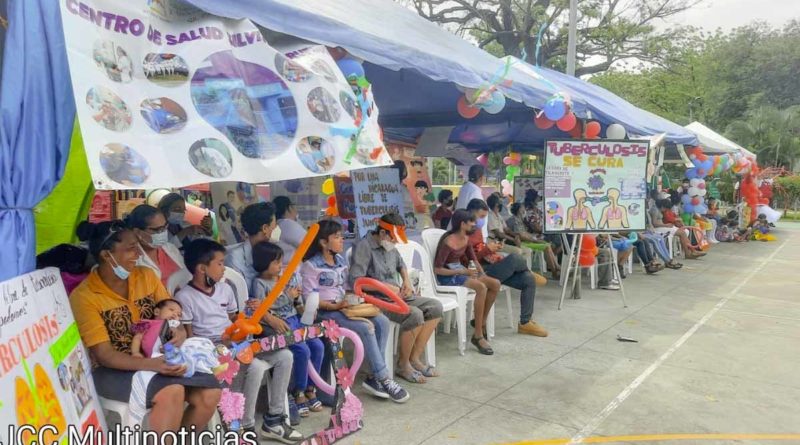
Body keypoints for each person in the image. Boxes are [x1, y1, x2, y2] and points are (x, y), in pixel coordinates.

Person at [69, 221, 221, 435]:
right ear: (106, 255)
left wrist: (176, 332)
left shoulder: (146, 276)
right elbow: (104, 356)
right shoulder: (84, 297)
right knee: (172, 392)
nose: (138, 254)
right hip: (113, 370)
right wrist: (152, 364)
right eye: (130, 248)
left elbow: (172, 314)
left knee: (211, 392)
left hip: (160, 358)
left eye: (137, 246)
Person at [175, 239, 301, 441]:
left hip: (237, 343)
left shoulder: (225, 289)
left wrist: (249, 321)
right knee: (257, 367)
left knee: (285, 355)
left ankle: (274, 419)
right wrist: (221, 346)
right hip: (211, 351)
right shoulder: (185, 297)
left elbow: (236, 319)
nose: (224, 268)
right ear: (202, 269)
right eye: (220, 263)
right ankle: (244, 427)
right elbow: (190, 338)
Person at [301, 220, 410, 403]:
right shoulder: (311, 266)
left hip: (344, 308)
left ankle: (375, 376)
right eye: (336, 237)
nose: (342, 240)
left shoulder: (341, 260)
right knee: (366, 327)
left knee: (381, 321)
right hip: (325, 313)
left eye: (341, 236)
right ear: (323, 242)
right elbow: (309, 299)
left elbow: (347, 287)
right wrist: (335, 306)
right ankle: (384, 378)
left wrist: (353, 299)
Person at [348, 213, 443, 383]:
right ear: (383, 233)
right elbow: (356, 281)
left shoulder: (390, 246)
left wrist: (406, 282)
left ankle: (414, 359)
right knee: (414, 314)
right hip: (377, 300)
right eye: (393, 239)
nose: (395, 242)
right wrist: (383, 287)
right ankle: (403, 365)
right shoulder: (364, 246)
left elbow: (401, 265)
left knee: (435, 307)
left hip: (397, 295)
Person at [251, 241, 325, 417]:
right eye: (276, 262)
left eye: (281, 261)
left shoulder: (285, 278)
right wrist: (287, 296)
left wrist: (305, 309)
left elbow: (296, 302)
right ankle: (298, 391)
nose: (280, 266)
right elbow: (264, 308)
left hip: (296, 319)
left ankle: (311, 387)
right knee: (302, 350)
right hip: (281, 324)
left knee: (318, 346)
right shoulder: (259, 283)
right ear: (263, 263)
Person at [466, 200, 547, 337]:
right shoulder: (463, 230)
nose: (481, 220)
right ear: (470, 213)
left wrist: (491, 249)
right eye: (480, 216)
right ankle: (529, 271)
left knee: (527, 280)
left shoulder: (477, 230)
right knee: (515, 258)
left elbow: (480, 250)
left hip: (490, 265)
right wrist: (486, 250)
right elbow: (467, 259)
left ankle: (525, 323)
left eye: (483, 217)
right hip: (478, 272)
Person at [434, 209, 501, 355]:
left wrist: (482, 274)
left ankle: (480, 321)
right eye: (472, 222)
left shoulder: (466, 239)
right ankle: (478, 335)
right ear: (462, 224)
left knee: (495, 284)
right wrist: (462, 272)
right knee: (481, 287)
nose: (475, 225)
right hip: (449, 276)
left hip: (462, 272)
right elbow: (438, 269)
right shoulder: (448, 242)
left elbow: (474, 260)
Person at [225, 202, 281, 297]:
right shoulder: (234, 258)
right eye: (275, 226)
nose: (277, 229)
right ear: (265, 228)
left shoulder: (273, 251)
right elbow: (238, 296)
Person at [127, 204, 186, 287]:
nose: (163, 232)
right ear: (137, 232)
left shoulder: (170, 248)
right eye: (157, 230)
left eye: (165, 227)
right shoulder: (131, 259)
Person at [507, 202, 560, 279]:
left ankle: (556, 267)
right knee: (546, 246)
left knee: (547, 245)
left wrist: (534, 238)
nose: (524, 209)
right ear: (519, 210)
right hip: (522, 242)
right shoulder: (514, 220)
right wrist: (535, 240)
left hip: (527, 240)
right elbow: (521, 235)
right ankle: (555, 271)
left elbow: (525, 233)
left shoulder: (520, 219)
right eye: (522, 208)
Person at [456, 164, 489, 240]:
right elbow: (477, 215)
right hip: (472, 233)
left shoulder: (465, 188)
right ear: (481, 178)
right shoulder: (474, 192)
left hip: (463, 229)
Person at [273, 196, 307, 262]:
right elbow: (308, 242)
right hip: (291, 267)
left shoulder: (280, 224)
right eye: (293, 205)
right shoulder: (287, 224)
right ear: (289, 208)